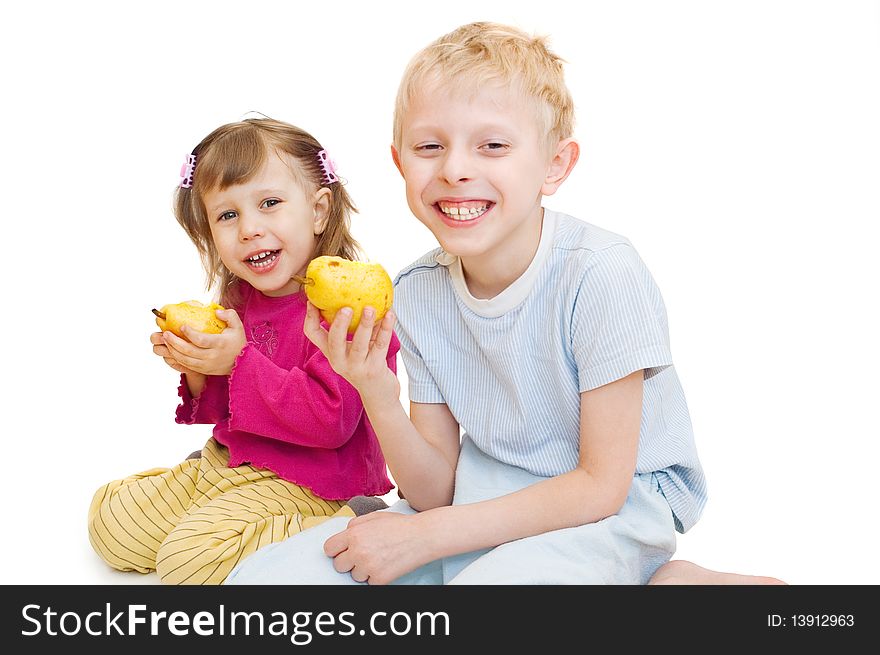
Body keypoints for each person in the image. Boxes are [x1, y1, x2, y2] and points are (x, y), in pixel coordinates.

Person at [225, 23, 785, 586]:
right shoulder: (417, 289)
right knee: (265, 585)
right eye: (429, 147)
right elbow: (434, 491)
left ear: (554, 166)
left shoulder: (600, 272)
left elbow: (601, 484)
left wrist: (426, 537)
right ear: (400, 163)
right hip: (480, 495)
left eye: (492, 145)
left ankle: (673, 584)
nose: (454, 169)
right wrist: (374, 386)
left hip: (615, 505)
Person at [88, 117, 398, 585]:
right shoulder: (239, 298)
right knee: (110, 523)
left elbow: (331, 423)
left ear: (318, 211)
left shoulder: (348, 306)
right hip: (231, 460)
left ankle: (349, 521)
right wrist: (196, 366)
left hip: (312, 482)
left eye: (269, 204)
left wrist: (237, 362)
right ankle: (209, 501)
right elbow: (224, 405)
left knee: (187, 564)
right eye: (227, 215)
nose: (249, 229)